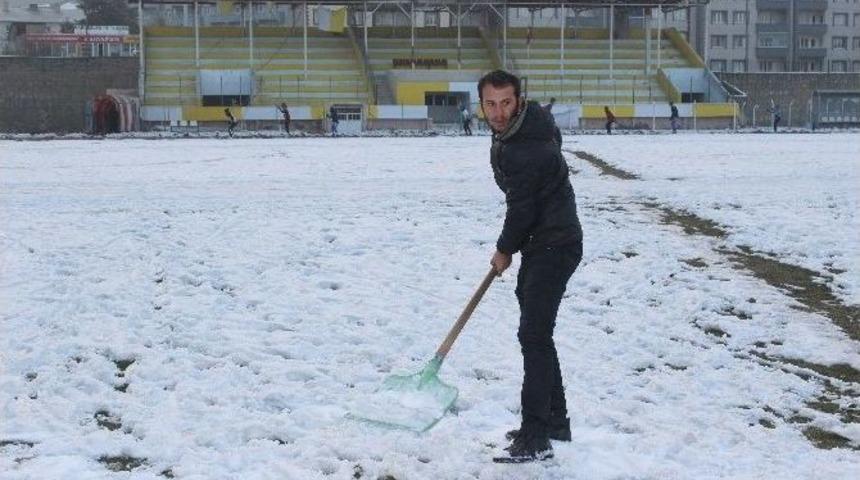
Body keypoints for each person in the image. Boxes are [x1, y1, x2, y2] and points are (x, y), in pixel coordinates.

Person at [479, 70, 583, 464]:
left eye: (506, 102)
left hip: (554, 245)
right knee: (537, 333)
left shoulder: (526, 147)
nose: (499, 112)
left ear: (519, 100)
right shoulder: (522, 130)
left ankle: (536, 435)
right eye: (491, 103)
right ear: (482, 104)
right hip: (544, 242)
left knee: (533, 336)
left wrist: (504, 249)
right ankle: (555, 421)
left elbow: (521, 208)